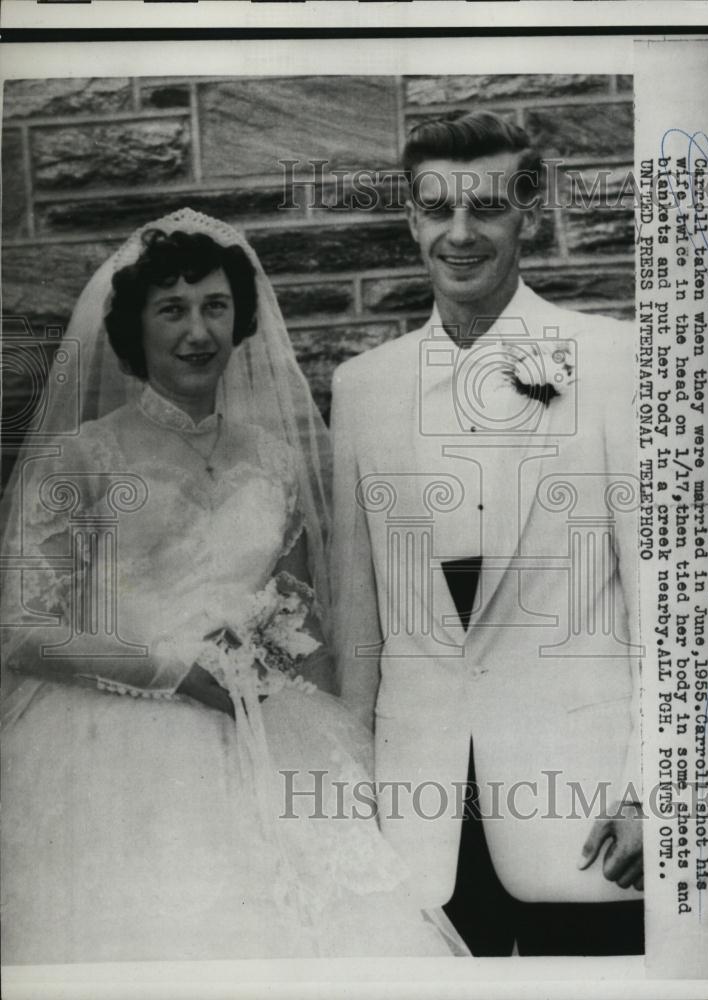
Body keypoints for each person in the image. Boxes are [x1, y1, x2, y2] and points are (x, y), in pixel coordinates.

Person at [0, 208, 467, 963]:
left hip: (268, 729)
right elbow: (20, 627)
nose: (198, 332)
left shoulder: (275, 460)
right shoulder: (82, 460)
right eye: (173, 310)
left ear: (240, 320)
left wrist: (304, 696)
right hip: (114, 744)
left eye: (216, 308)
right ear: (135, 328)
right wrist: (171, 669)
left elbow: (299, 611)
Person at [331, 111, 644, 956]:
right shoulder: (362, 388)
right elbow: (359, 633)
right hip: (417, 825)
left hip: (584, 815)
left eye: (488, 209)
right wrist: (353, 801)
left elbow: (670, 615)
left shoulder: (613, 361)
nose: (459, 234)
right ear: (411, 218)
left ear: (529, 216)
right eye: (437, 210)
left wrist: (653, 792)